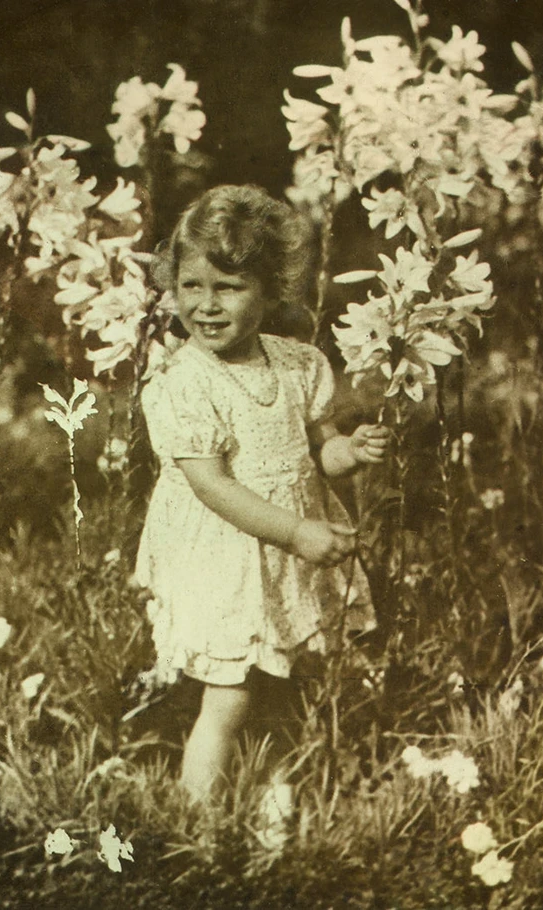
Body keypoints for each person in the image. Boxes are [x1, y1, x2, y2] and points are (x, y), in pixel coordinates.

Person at [134, 184, 388, 803]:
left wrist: (348, 452)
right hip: (224, 556)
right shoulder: (185, 381)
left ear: (272, 291)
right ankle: (198, 825)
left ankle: (275, 806)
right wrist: (299, 532)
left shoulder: (297, 364)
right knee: (231, 693)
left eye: (229, 287)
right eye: (192, 286)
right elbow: (212, 486)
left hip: (282, 558)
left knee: (283, 686)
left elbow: (316, 451)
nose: (206, 305)